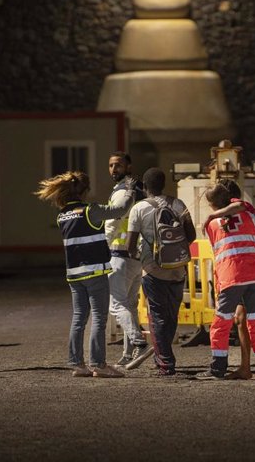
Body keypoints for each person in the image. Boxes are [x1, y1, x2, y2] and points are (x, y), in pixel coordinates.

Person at [35, 170, 136, 378]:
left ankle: (77, 363)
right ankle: (98, 364)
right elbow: (121, 209)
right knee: (99, 317)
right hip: (95, 272)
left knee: (79, 317)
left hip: (74, 274)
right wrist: (129, 189)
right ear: (85, 192)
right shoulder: (91, 210)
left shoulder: (62, 215)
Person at [196, 183, 255, 380]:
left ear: (211, 204)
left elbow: (215, 249)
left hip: (231, 276)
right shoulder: (249, 214)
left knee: (221, 324)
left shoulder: (210, 225)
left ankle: (218, 368)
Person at [125, 168, 196, 377]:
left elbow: (130, 246)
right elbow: (191, 235)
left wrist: (142, 256)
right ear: (164, 184)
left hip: (153, 270)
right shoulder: (178, 204)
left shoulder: (138, 209)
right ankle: (161, 357)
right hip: (177, 269)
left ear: (145, 187)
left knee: (157, 316)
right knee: (171, 315)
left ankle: (166, 363)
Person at [104, 152, 152, 370]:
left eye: (119, 165)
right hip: (136, 257)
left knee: (116, 305)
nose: (114, 169)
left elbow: (113, 222)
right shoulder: (140, 189)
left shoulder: (123, 191)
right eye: (111, 165)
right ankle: (127, 354)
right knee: (130, 306)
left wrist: (102, 246)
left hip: (119, 254)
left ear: (129, 167)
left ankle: (140, 343)